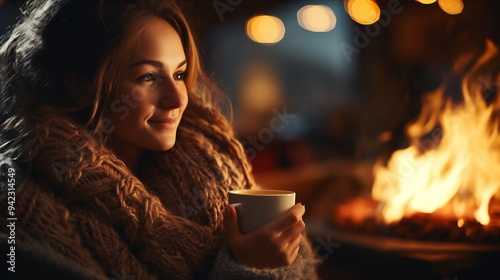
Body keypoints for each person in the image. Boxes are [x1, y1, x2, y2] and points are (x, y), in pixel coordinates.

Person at [0, 0, 320, 279]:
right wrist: (248, 270)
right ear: (80, 88)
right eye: (148, 77)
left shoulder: (213, 160)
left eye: (180, 74)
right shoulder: (22, 213)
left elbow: (299, 262)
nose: (178, 99)